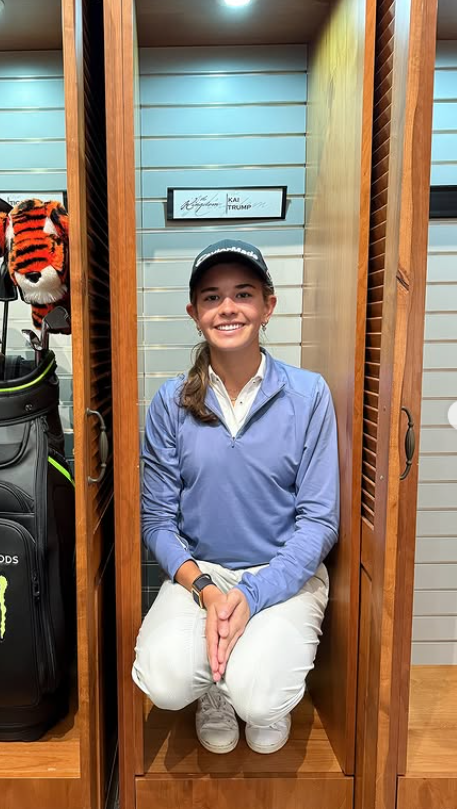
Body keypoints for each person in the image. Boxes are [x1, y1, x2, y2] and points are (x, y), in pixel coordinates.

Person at [132, 239, 340, 755]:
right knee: (164, 681)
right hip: (202, 573)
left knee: (261, 698)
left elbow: (319, 522)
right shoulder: (170, 401)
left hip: (285, 573)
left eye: (243, 294)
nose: (227, 307)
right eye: (211, 297)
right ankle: (215, 690)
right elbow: (157, 521)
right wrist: (207, 590)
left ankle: (250, 690)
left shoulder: (309, 395)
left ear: (268, 306)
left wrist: (253, 594)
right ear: (194, 313)